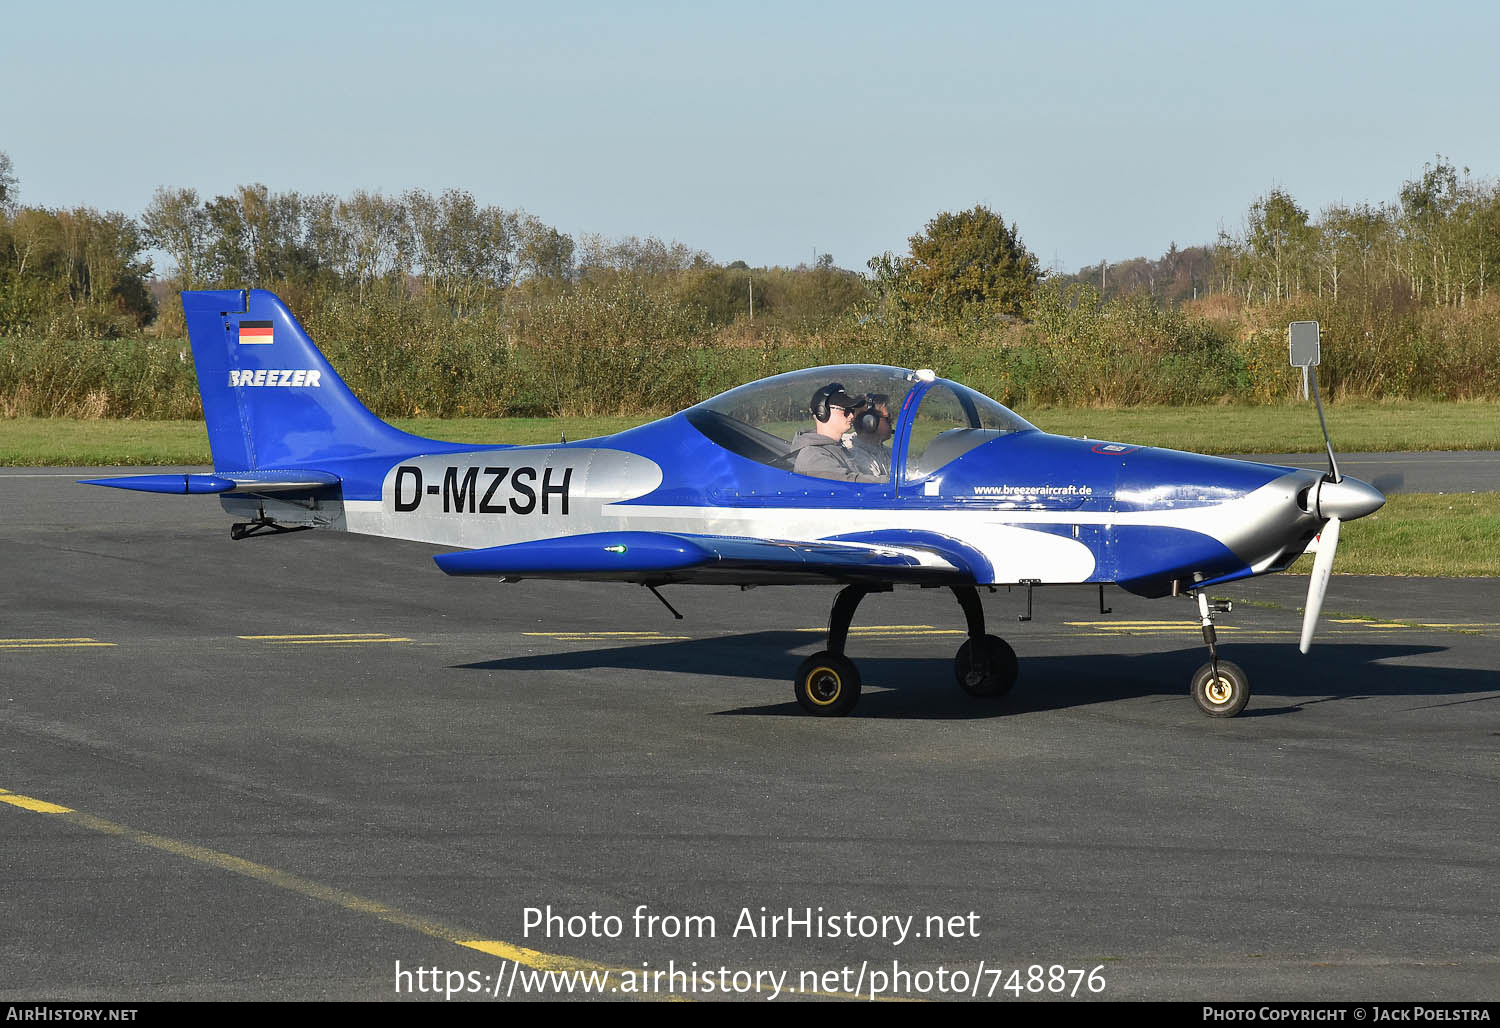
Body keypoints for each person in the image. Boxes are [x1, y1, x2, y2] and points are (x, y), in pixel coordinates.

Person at [788, 383, 880, 482]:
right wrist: (892, 482)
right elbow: (851, 484)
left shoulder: (837, 448)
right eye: (845, 411)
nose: (851, 416)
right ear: (822, 412)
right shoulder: (813, 456)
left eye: (852, 411)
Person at [846, 392, 892, 479]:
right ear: (869, 422)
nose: (891, 421)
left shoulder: (882, 451)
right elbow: (874, 489)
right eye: (887, 418)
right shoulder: (857, 457)